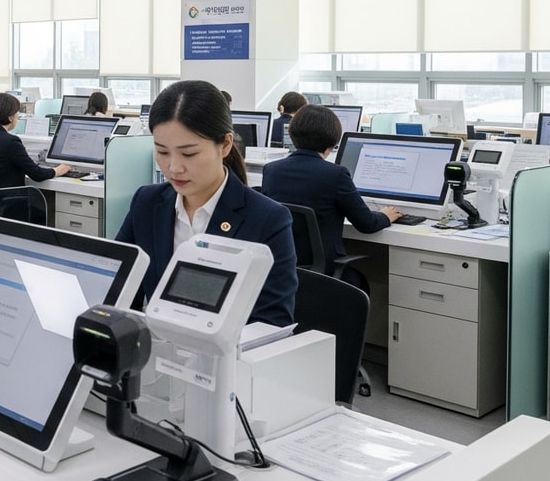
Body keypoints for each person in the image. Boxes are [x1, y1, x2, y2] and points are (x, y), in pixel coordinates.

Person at [115, 80, 297, 326]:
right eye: (163, 152)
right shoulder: (146, 203)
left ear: (225, 144)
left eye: (189, 153)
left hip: (227, 359)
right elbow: (120, 292)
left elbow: (272, 324)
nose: (174, 167)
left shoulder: (267, 219)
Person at [261, 105, 400, 293]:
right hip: (325, 271)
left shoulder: (272, 170)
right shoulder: (335, 174)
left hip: (283, 269)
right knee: (360, 282)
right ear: (334, 139)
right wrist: (385, 215)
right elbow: (366, 224)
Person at [0, 93, 72, 188]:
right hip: (8, 199)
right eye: (17, 113)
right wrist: (58, 170)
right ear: (10, 118)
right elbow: (37, 174)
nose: (18, 117)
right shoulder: (11, 142)